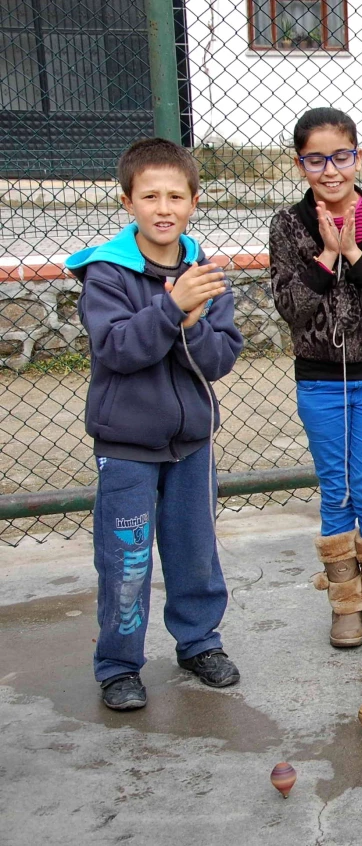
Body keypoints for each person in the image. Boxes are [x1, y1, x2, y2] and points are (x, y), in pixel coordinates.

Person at [65, 138, 244, 711]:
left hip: (191, 445)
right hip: (127, 448)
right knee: (127, 558)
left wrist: (192, 319)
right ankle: (119, 665)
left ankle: (199, 642)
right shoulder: (107, 275)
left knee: (194, 549)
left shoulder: (205, 275)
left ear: (194, 201)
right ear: (127, 202)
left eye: (175, 195)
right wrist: (171, 308)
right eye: (149, 196)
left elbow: (218, 360)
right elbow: (116, 348)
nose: (163, 207)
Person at [269, 108, 362, 648]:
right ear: (301, 164)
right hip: (319, 380)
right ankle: (344, 605)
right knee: (336, 493)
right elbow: (291, 307)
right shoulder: (289, 225)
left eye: (340, 156)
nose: (329, 170)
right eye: (316, 159)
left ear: (357, 157)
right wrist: (324, 256)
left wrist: (353, 253)